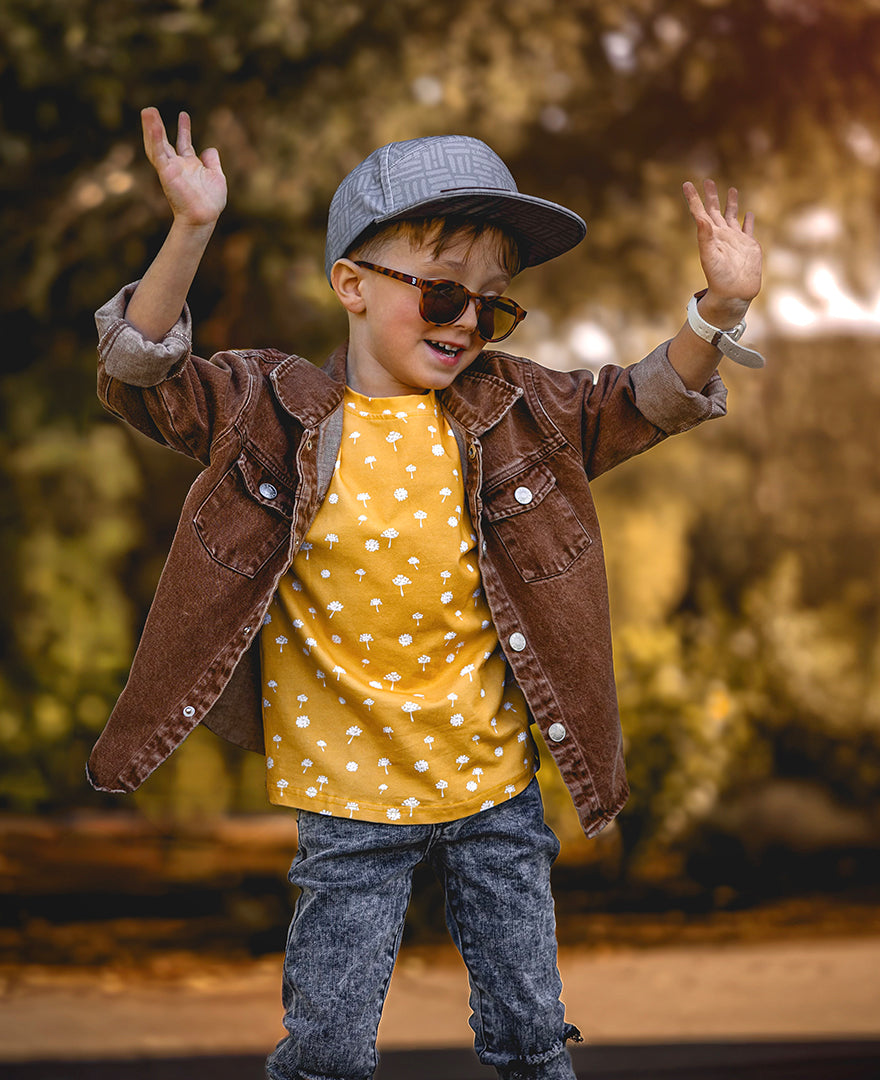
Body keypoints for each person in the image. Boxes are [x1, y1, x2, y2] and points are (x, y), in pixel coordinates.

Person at [88, 106, 764, 1080]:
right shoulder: (269, 412)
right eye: (444, 296)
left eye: (492, 304)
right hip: (347, 801)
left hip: (496, 792)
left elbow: (643, 400)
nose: (468, 325)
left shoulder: (517, 412)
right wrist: (192, 229)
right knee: (325, 1052)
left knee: (533, 1043)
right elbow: (141, 373)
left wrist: (720, 312)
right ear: (351, 287)